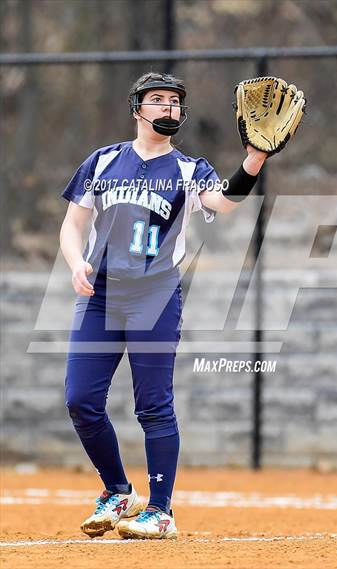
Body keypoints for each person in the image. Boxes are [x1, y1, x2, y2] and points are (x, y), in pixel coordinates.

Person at [60, 71, 267, 540]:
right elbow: (73, 225)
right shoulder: (103, 160)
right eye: (157, 100)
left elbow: (225, 200)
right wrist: (76, 263)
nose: (168, 109)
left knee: (153, 405)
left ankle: (160, 510)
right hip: (102, 296)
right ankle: (117, 490)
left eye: (175, 102)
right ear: (137, 108)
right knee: (80, 400)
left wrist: (253, 160)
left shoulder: (189, 170)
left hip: (155, 296)